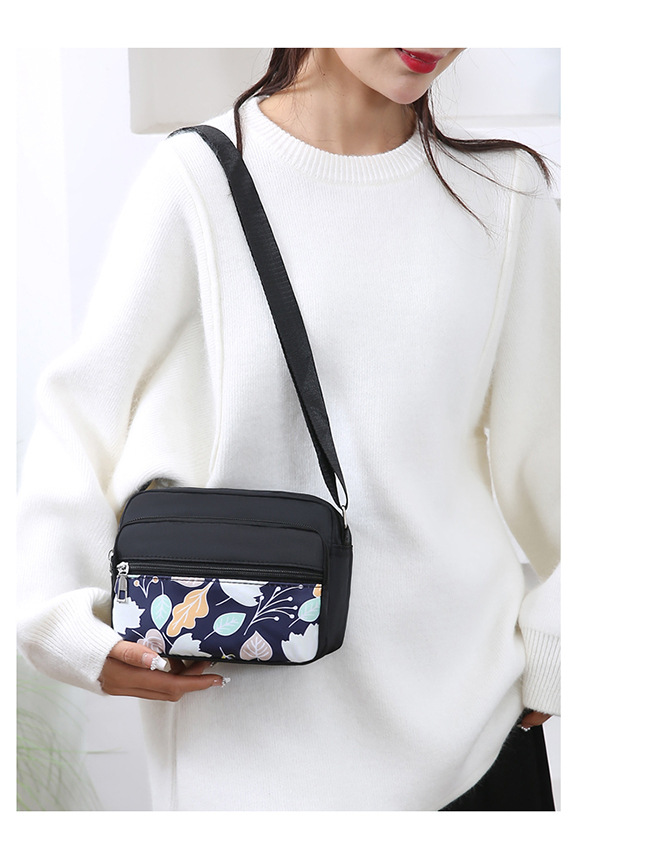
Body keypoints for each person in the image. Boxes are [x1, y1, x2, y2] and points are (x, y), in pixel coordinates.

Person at [17, 48, 560, 811]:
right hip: (251, 756)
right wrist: (62, 629)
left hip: (474, 738)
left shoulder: (507, 194)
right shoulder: (196, 179)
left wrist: (559, 642)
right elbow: (79, 419)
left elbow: (572, 453)